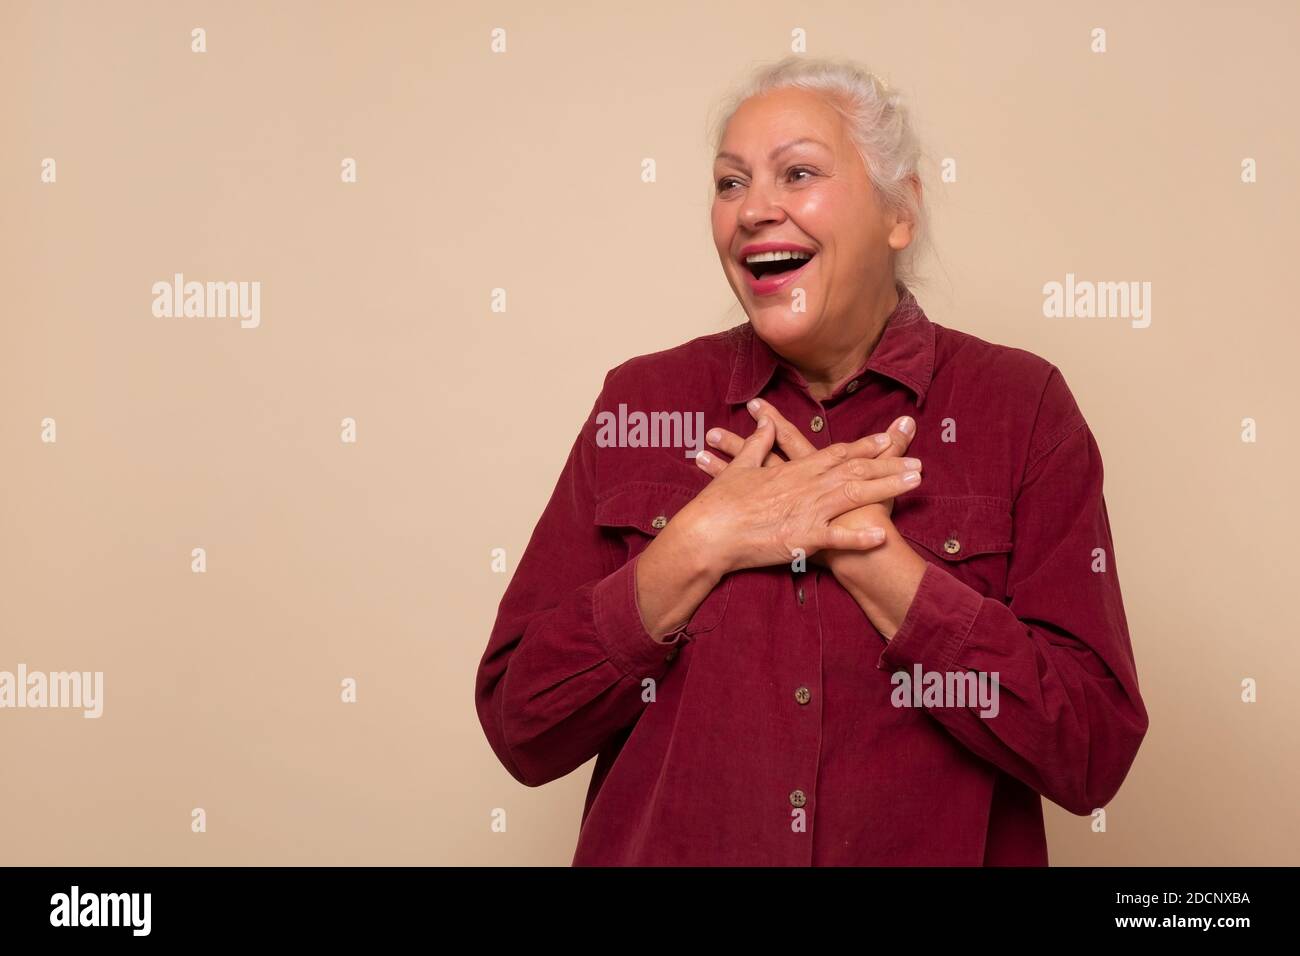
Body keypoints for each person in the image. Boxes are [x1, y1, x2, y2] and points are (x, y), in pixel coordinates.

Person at [475, 55, 1148, 865]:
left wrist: (877, 561)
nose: (756, 208)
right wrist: (698, 543)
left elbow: (1090, 752)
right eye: (730, 184)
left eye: (798, 173)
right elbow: (523, 726)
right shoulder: (642, 401)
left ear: (899, 212)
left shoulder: (1022, 406)